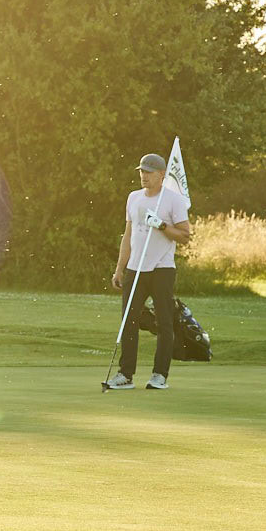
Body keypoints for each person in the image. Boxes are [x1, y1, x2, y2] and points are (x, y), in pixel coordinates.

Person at [107, 153, 192, 390]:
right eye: (142, 171)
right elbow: (128, 235)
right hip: (136, 268)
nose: (143, 176)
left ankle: (159, 375)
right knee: (128, 321)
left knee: (165, 322)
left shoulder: (173, 200)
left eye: (149, 172)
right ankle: (126, 375)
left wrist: (162, 225)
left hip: (162, 269)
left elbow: (185, 235)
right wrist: (119, 269)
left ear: (161, 175)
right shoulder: (133, 198)